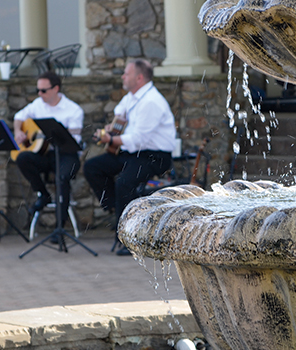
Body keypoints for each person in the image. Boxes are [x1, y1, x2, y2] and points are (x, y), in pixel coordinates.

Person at [83, 59, 175, 255]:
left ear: (139, 77)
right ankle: (117, 210)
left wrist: (109, 138)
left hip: (153, 156)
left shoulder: (151, 101)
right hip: (132, 153)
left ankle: (129, 240)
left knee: (124, 183)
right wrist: (111, 129)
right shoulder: (131, 97)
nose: (123, 76)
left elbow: (139, 139)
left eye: (126, 73)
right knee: (93, 167)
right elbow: (120, 113)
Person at [13, 71, 84, 224]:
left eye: (43, 90)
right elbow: (19, 117)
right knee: (22, 158)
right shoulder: (38, 104)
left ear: (56, 89)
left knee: (62, 178)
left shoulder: (73, 110)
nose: (40, 94)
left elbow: (74, 140)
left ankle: (60, 225)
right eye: (37, 90)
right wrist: (18, 131)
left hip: (67, 155)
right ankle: (43, 194)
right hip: (45, 154)